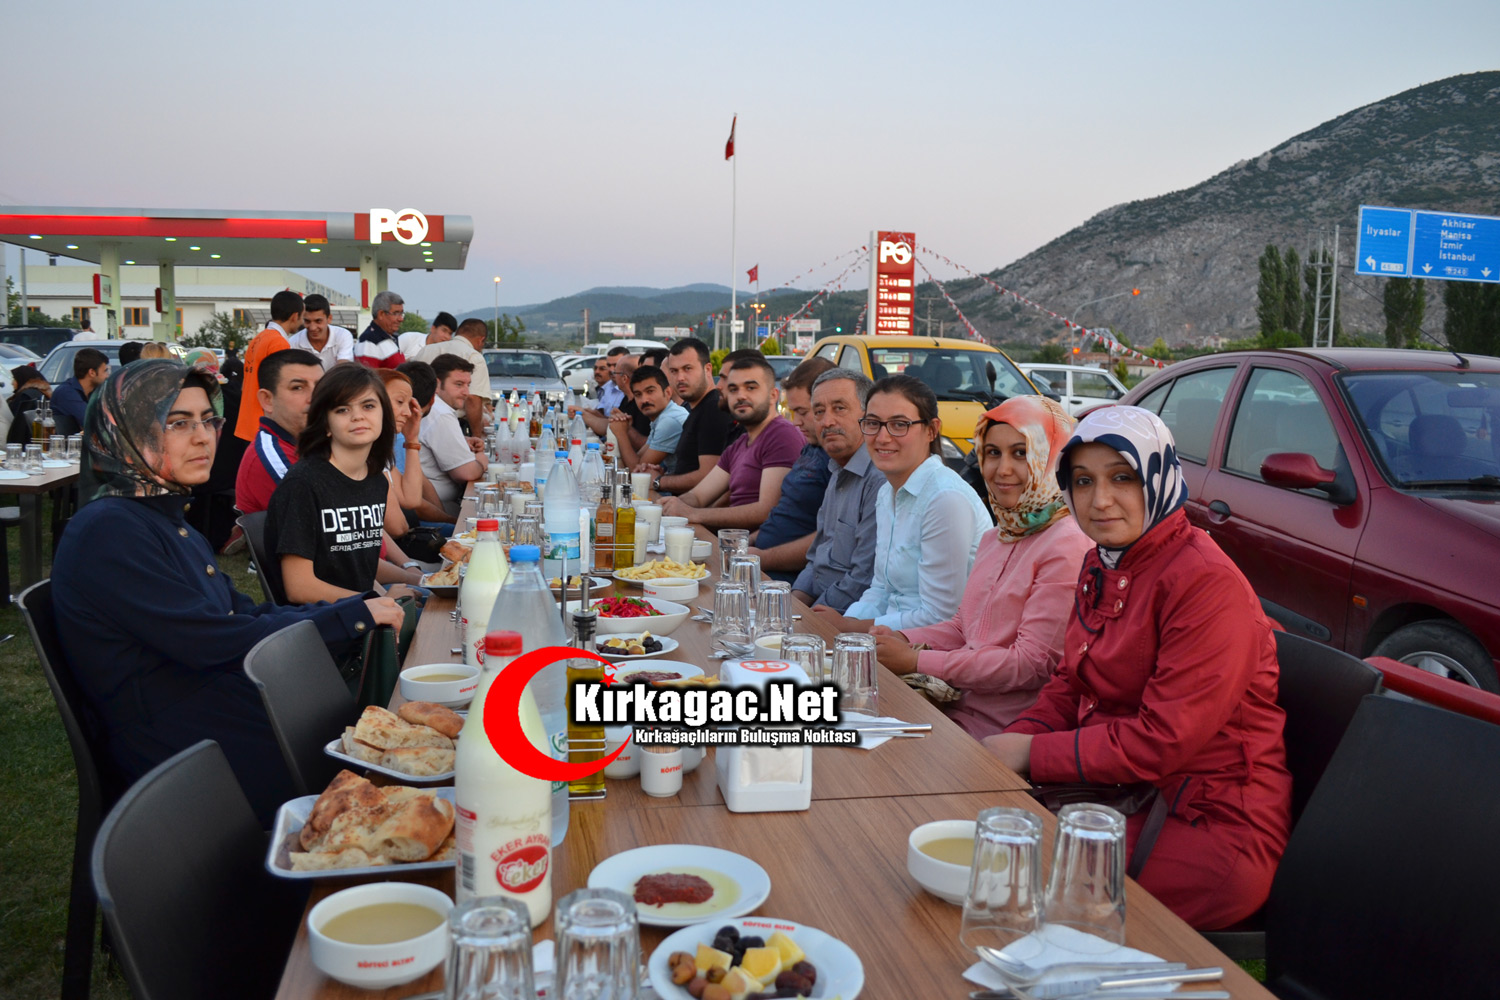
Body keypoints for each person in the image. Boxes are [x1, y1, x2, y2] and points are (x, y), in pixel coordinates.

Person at [51, 359, 403, 824]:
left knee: (387, 744)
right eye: (177, 422)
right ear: (125, 433)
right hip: (185, 745)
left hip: (215, 703)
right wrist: (346, 618)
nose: (203, 437)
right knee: (378, 771)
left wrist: (356, 608)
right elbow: (210, 640)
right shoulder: (109, 530)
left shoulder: (166, 521)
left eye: (207, 420)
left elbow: (241, 615)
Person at [986, 406, 1292, 930]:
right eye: (1084, 481)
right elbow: (1071, 680)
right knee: (988, 844)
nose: (1100, 500)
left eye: (1122, 478)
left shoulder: (1204, 582)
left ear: (1159, 475)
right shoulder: (1103, 560)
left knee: (1015, 884)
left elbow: (1163, 739)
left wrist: (1031, 754)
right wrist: (1011, 743)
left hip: (1207, 823)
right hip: (1118, 796)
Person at [871, 396, 1093, 739]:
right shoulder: (999, 535)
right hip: (955, 706)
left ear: (1052, 457)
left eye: (1020, 453)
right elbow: (965, 627)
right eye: (992, 453)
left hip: (1004, 732)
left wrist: (916, 661)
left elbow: (1031, 664)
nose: (1002, 469)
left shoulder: (1067, 544)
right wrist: (900, 639)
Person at [812, 374, 990, 632]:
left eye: (899, 425)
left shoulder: (945, 499)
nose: (882, 437)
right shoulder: (887, 493)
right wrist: (844, 629)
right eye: (873, 423)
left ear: (932, 430)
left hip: (935, 646)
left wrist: (850, 628)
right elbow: (881, 590)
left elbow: (941, 617)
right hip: (889, 638)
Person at [265, 364, 409, 601]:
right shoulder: (303, 485)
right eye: (342, 409)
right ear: (325, 424)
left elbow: (356, 568)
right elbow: (299, 587)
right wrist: (378, 601)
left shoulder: (375, 481)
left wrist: (408, 582)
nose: (358, 416)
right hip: (320, 620)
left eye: (368, 406)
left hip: (366, 610)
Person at [659, 354, 804, 529]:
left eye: (751, 388)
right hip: (730, 539)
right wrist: (666, 506)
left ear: (773, 395)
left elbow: (766, 510)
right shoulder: (740, 444)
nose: (741, 396)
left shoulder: (782, 435)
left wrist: (694, 514)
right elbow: (698, 496)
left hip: (754, 544)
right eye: (733, 389)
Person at [788, 369, 886, 611]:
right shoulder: (838, 469)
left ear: (868, 417)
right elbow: (816, 561)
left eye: (839, 408)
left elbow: (861, 580)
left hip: (845, 617)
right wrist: (790, 607)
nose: (827, 422)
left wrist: (805, 618)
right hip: (818, 608)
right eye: (819, 412)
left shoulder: (879, 479)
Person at [747, 357, 836, 581]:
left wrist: (762, 558)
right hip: (760, 560)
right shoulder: (811, 447)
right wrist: (751, 539)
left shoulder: (837, 458)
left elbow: (829, 538)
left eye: (803, 412)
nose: (796, 421)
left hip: (783, 577)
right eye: (792, 411)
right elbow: (787, 511)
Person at [233, 349, 324, 515]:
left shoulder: (313, 441)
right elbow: (334, 515)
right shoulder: (272, 456)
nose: (314, 397)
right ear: (267, 400)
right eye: (297, 387)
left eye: (321, 386)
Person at [646, 338, 735, 495]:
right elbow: (690, 468)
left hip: (693, 507)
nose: (680, 377)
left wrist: (659, 481)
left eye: (687, 369)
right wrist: (665, 474)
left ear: (707, 369)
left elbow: (708, 476)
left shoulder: (713, 410)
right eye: (674, 371)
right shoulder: (696, 409)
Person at [417, 354, 486, 515]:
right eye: (459, 384)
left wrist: (462, 441)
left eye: (468, 385)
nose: (466, 392)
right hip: (433, 506)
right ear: (437, 384)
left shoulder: (436, 408)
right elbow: (466, 473)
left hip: (435, 500)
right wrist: (482, 460)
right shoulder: (440, 413)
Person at [233, 289, 303, 441]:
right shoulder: (279, 343)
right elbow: (281, 387)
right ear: (295, 316)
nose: (302, 322)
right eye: (302, 317)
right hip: (264, 425)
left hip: (247, 422)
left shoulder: (258, 339)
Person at [396, 360, 460, 526]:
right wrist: (451, 522)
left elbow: (423, 482)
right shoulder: (396, 436)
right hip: (412, 523)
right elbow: (414, 504)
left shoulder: (402, 435)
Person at [413, 317, 491, 438]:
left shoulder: (426, 350)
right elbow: (472, 399)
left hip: (418, 423)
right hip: (451, 424)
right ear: (481, 340)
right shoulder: (474, 356)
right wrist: (477, 436)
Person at [615, 366, 687, 471]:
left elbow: (636, 471)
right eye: (638, 394)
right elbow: (638, 459)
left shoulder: (669, 421)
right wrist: (626, 428)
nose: (644, 400)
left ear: (667, 392)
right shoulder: (661, 418)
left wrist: (621, 434)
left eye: (650, 391)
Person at [287, 293, 355, 370]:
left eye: (318, 321)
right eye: (307, 321)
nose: (312, 328)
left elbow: (344, 369)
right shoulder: (293, 342)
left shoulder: (342, 335)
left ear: (329, 318)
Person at [52, 347, 110, 434]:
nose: (107, 375)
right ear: (92, 372)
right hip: (67, 442)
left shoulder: (93, 392)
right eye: (105, 371)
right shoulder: (66, 393)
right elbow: (91, 422)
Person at [354, 290, 407, 369]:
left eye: (401, 313)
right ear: (381, 314)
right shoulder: (369, 342)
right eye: (396, 313)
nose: (401, 319)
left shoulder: (390, 337)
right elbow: (367, 376)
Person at [6, 365, 53, 445]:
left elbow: (15, 425)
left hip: (20, 444)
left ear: (21, 379)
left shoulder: (25, 396)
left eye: (14, 379)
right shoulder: (41, 395)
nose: (12, 383)